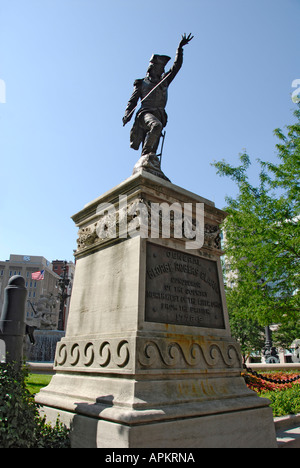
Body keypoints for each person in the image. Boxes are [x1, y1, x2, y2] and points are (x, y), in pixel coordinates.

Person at [123, 33, 193, 158]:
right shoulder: (142, 83)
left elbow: (176, 67)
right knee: (156, 126)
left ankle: (149, 161)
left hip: (160, 114)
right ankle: (146, 156)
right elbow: (132, 102)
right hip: (145, 113)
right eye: (160, 67)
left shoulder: (164, 81)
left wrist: (179, 50)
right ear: (153, 68)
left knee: (154, 143)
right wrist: (127, 114)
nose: (162, 70)